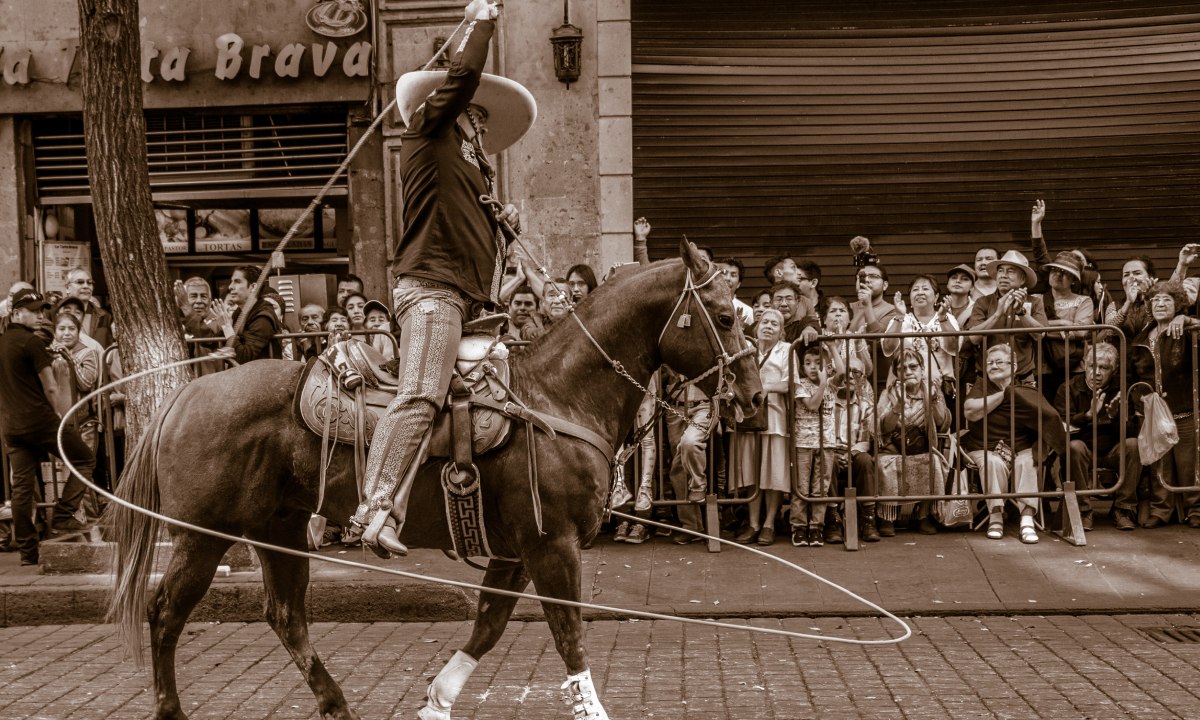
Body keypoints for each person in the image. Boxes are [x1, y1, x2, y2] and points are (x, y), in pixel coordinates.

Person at [351, 0, 536, 557]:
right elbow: (461, 78)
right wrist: (482, 20)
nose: (481, 130)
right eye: (475, 119)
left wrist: (501, 228)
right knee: (422, 392)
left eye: (482, 122)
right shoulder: (428, 134)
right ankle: (375, 508)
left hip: (463, 300)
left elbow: (482, 263)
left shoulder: (471, 181)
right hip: (431, 292)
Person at [0, 289, 94, 565]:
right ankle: (64, 516)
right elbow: (51, 386)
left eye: (43, 311)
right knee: (85, 458)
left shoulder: (2, 343)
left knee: (22, 488)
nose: (41, 316)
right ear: (17, 314)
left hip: (12, 426)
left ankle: (28, 553)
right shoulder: (31, 343)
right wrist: (62, 417)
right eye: (35, 311)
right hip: (41, 421)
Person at [962, 343, 1067, 544]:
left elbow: (1047, 416)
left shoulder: (1025, 390)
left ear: (1013, 366)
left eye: (999, 362)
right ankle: (995, 516)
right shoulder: (981, 386)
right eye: (989, 363)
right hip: (984, 447)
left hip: (1021, 447)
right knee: (992, 461)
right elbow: (970, 411)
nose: (992, 366)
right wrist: (1004, 395)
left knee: (1028, 461)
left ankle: (1027, 518)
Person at [1129, 280, 1200, 528]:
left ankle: (1196, 510)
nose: (1160, 304)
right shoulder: (1141, 336)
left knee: (1189, 463)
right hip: (1152, 410)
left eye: (1167, 300)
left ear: (1178, 304)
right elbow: (1134, 375)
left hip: (1185, 407)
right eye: (1155, 300)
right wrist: (1138, 400)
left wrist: (1188, 320)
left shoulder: (1187, 330)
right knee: (1160, 462)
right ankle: (1162, 510)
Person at [1053, 342, 1138, 531]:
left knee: (1133, 445)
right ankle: (1083, 510)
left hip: (1112, 449)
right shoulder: (1068, 388)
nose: (1097, 372)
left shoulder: (1122, 389)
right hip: (1084, 450)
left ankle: (1123, 509)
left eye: (1104, 368)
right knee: (1074, 447)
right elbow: (1060, 426)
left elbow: (1133, 431)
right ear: (1084, 365)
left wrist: (1116, 418)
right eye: (1092, 366)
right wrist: (1087, 416)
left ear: (1114, 369)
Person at [874, 348, 950, 536]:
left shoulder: (931, 390)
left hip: (921, 448)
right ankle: (888, 518)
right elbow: (882, 428)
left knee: (933, 462)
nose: (908, 372)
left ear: (922, 369)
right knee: (887, 465)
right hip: (892, 450)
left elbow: (942, 423)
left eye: (913, 367)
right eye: (902, 368)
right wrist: (899, 405)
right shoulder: (889, 393)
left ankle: (923, 516)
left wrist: (933, 399)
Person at [732, 308, 790, 545]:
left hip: (775, 417)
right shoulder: (747, 346)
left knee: (773, 473)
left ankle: (769, 523)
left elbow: (789, 382)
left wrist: (764, 388)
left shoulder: (786, 350)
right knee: (752, 471)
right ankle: (753, 523)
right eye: (764, 321)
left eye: (774, 324)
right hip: (749, 416)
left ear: (781, 331)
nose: (768, 326)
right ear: (756, 326)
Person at [965, 250, 1047, 384]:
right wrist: (997, 314)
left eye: (1010, 271)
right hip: (988, 379)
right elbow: (973, 338)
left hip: (1022, 378)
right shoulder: (983, 302)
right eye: (1000, 271)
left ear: (1022, 279)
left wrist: (1022, 313)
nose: (1003, 275)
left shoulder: (1034, 302)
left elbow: (1040, 335)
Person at [791, 344, 834, 547]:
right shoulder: (800, 384)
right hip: (804, 441)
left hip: (826, 441)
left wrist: (832, 347)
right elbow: (812, 405)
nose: (813, 367)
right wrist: (823, 384)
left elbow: (842, 372)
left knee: (820, 487)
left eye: (818, 363)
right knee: (802, 486)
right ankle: (799, 526)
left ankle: (816, 526)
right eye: (808, 363)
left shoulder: (832, 383)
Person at [207, 265, 282, 364]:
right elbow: (220, 344)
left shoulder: (263, 317)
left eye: (237, 281)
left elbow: (245, 357)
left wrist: (226, 327)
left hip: (261, 376)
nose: (230, 287)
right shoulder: (239, 313)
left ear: (253, 287)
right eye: (232, 281)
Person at [63, 268, 112, 348]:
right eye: (80, 282)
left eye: (90, 283)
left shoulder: (104, 317)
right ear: (68, 288)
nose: (86, 286)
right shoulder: (54, 314)